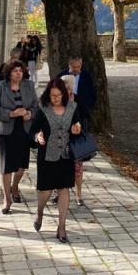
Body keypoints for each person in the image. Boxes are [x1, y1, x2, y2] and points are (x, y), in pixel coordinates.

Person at [29, 78, 82, 243]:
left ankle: (61, 227)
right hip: (46, 156)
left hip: (66, 156)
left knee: (64, 189)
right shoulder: (43, 109)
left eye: (58, 95)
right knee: (45, 190)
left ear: (64, 94)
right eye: (52, 96)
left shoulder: (73, 108)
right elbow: (32, 131)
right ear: (48, 95)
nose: (56, 98)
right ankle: (39, 211)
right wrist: (37, 137)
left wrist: (77, 129)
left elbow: (79, 127)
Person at [0, 60, 38, 214]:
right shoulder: (0, 87)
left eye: (20, 71)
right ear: (9, 73)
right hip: (6, 131)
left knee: (21, 165)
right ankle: (6, 199)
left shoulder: (29, 85)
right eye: (15, 71)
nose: (18, 73)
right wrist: (11, 114)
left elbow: (37, 106)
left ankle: (15, 186)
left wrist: (30, 114)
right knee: (6, 166)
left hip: (24, 130)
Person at [58, 55, 96, 207]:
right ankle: (59, 192)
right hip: (60, 138)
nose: (76, 70)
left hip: (75, 136)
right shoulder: (57, 95)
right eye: (74, 67)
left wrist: (79, 124)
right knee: (60, 166)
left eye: (78, 67)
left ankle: (78, 194)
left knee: (77, 166)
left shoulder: (78, 99)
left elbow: (89, 102)